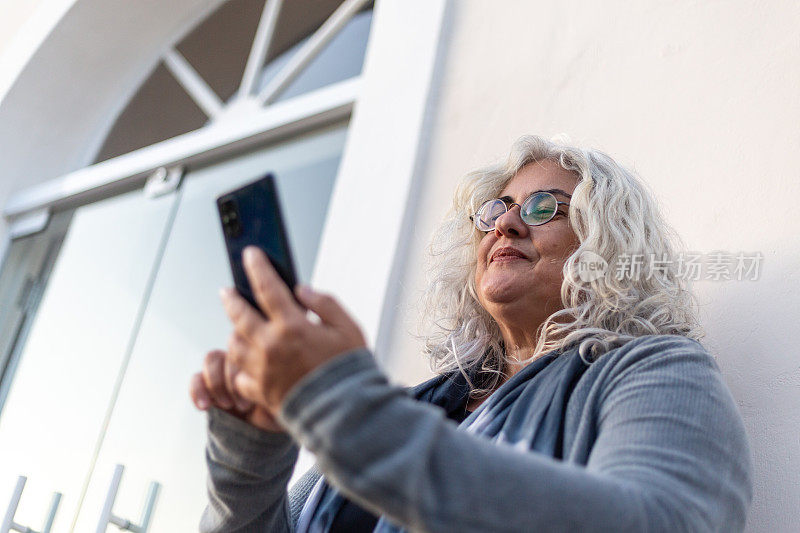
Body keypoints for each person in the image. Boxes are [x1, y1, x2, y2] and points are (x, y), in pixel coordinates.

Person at [190, 134, 753, 532]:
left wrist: (345, 408)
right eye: (495, 211)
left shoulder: (658, 368)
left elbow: (666, 521)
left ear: (609, 243)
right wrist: (250, 453)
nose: (506, 223)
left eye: (542, 207)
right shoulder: (423, 407)